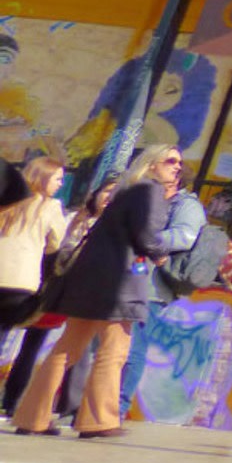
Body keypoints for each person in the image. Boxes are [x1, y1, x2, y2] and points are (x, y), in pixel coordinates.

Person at [10, 145, 176, 438]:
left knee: (66, 349)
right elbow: (146, 234)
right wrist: (161, 253)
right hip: (120, 283)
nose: (177, 167)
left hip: (88, 281)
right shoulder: (150, 192)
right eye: (170, 161)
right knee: (114, 352)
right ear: (152, 165)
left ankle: (31, 416)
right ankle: (98, 420)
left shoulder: (125, 191)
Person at [3, 180, 114, 418]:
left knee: (79, 348)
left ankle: (69, 405)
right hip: (57, 288)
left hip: (87, 293)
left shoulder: (115, 226)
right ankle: (12, 400)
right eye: (106, 190)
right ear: (95, 193)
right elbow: (56, 248)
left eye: (116, 194)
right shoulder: (73, 218)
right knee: (32, 342)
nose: (109, 197)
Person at [118, 154, 208, 418]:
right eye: (170, 163)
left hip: (152, 287)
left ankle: (118, 407)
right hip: (124, 279)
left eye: (176, 166)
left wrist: (145, 239)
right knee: (113, 346)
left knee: (133, 347)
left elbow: (185, 236)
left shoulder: (186, 205)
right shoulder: (144, 197)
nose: (174, 169)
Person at [0, 157, 68, 328]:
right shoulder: (50, 206)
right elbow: (56, 243)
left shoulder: (8, 200)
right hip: (21, 281)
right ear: (43, 177)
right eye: (58, 179)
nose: (61, 184)